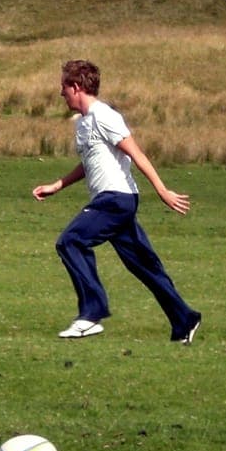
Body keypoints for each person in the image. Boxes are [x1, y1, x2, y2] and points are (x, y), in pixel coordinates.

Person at [32, 60, 201, 344]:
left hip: (116, 200)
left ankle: (91, 313)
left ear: (76, 87)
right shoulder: (84, 124)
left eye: (63, 87)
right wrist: (57, 185)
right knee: (145, 266)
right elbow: (89, 164)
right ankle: (184, 319)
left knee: (70, 242)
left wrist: (162, 191)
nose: (61, 93)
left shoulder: (104, 116)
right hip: (111, 200)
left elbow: (137, 154)